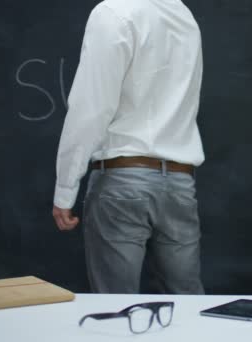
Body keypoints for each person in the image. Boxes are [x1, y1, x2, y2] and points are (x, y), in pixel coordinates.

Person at [52, 0, 205, 295]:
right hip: (179, 183)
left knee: (115, 307)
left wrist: (66, 187)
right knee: (188, 304)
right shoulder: (183, 16)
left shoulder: (113, 12)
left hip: (122, 181)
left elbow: (91, 108)